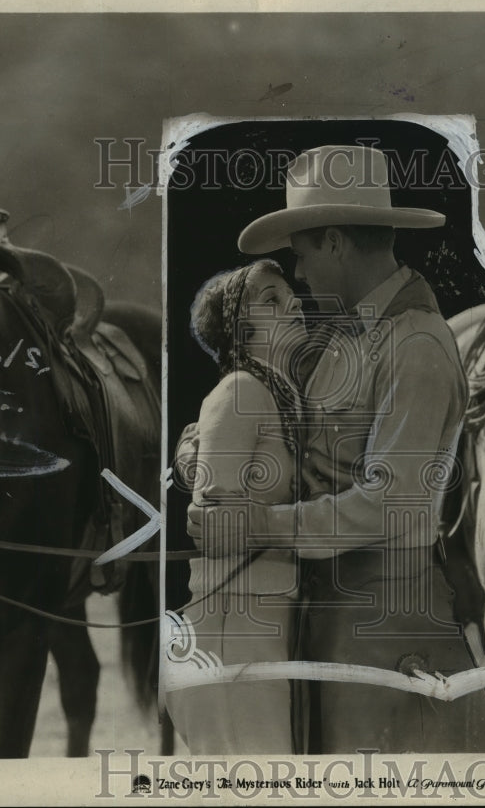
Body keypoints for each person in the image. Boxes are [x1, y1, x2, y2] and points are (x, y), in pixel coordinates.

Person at [191, 145, 485, 752]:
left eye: (301, 255)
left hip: (385, 618)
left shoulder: (416, 345)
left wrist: (258, 525)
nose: (299, 276)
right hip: (332, 610)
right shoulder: (350, 336)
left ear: (333, 241)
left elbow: (388, 501)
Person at [166, 258, 308, 754]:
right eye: (271, 299)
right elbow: (217, 522)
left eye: (288, 293)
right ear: (240, 332)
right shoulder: (239, 390)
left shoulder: (280, 395)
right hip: (231, 622)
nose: (292, 303)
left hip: (265, 616)